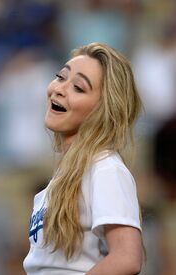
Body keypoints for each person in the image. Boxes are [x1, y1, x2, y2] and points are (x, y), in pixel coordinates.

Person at [23, 42, 143, 274]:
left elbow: (127, 258)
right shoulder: (63, 179)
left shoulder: (105, 168)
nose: (59, 89)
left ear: (102, 110)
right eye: (60, 77)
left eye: (78, 87)